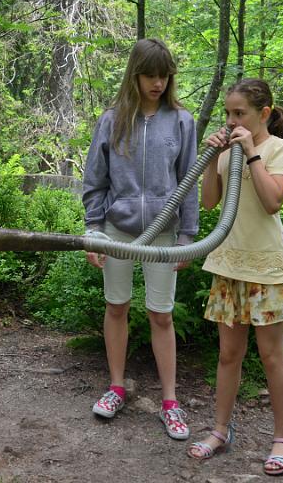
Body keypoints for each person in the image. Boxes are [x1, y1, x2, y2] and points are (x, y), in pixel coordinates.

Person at [82, 37, 199, 441]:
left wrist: (188, 234)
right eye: (150, 75)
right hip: (117, 230)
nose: (158, 83)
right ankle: (116, 387)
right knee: (116, 307)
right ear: (135, 75)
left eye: (165, 75)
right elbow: (94, 181)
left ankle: (170, 401)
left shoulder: (182, 121)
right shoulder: (112, 120)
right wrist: (93, 230)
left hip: (164, 234)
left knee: (161, 315)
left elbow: (189, 182)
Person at [187, 78, 283, 476]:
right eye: (229, 114)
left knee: (272, 356)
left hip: (267, 269)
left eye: (241, 114)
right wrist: (210, 158)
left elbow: (272, 203)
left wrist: (251, 151)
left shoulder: (276, 148)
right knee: (227, 355)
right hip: (227, 265)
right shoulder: (227, 152)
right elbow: (209, 202)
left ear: (263, 114)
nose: (233, 120)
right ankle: (220, 430)